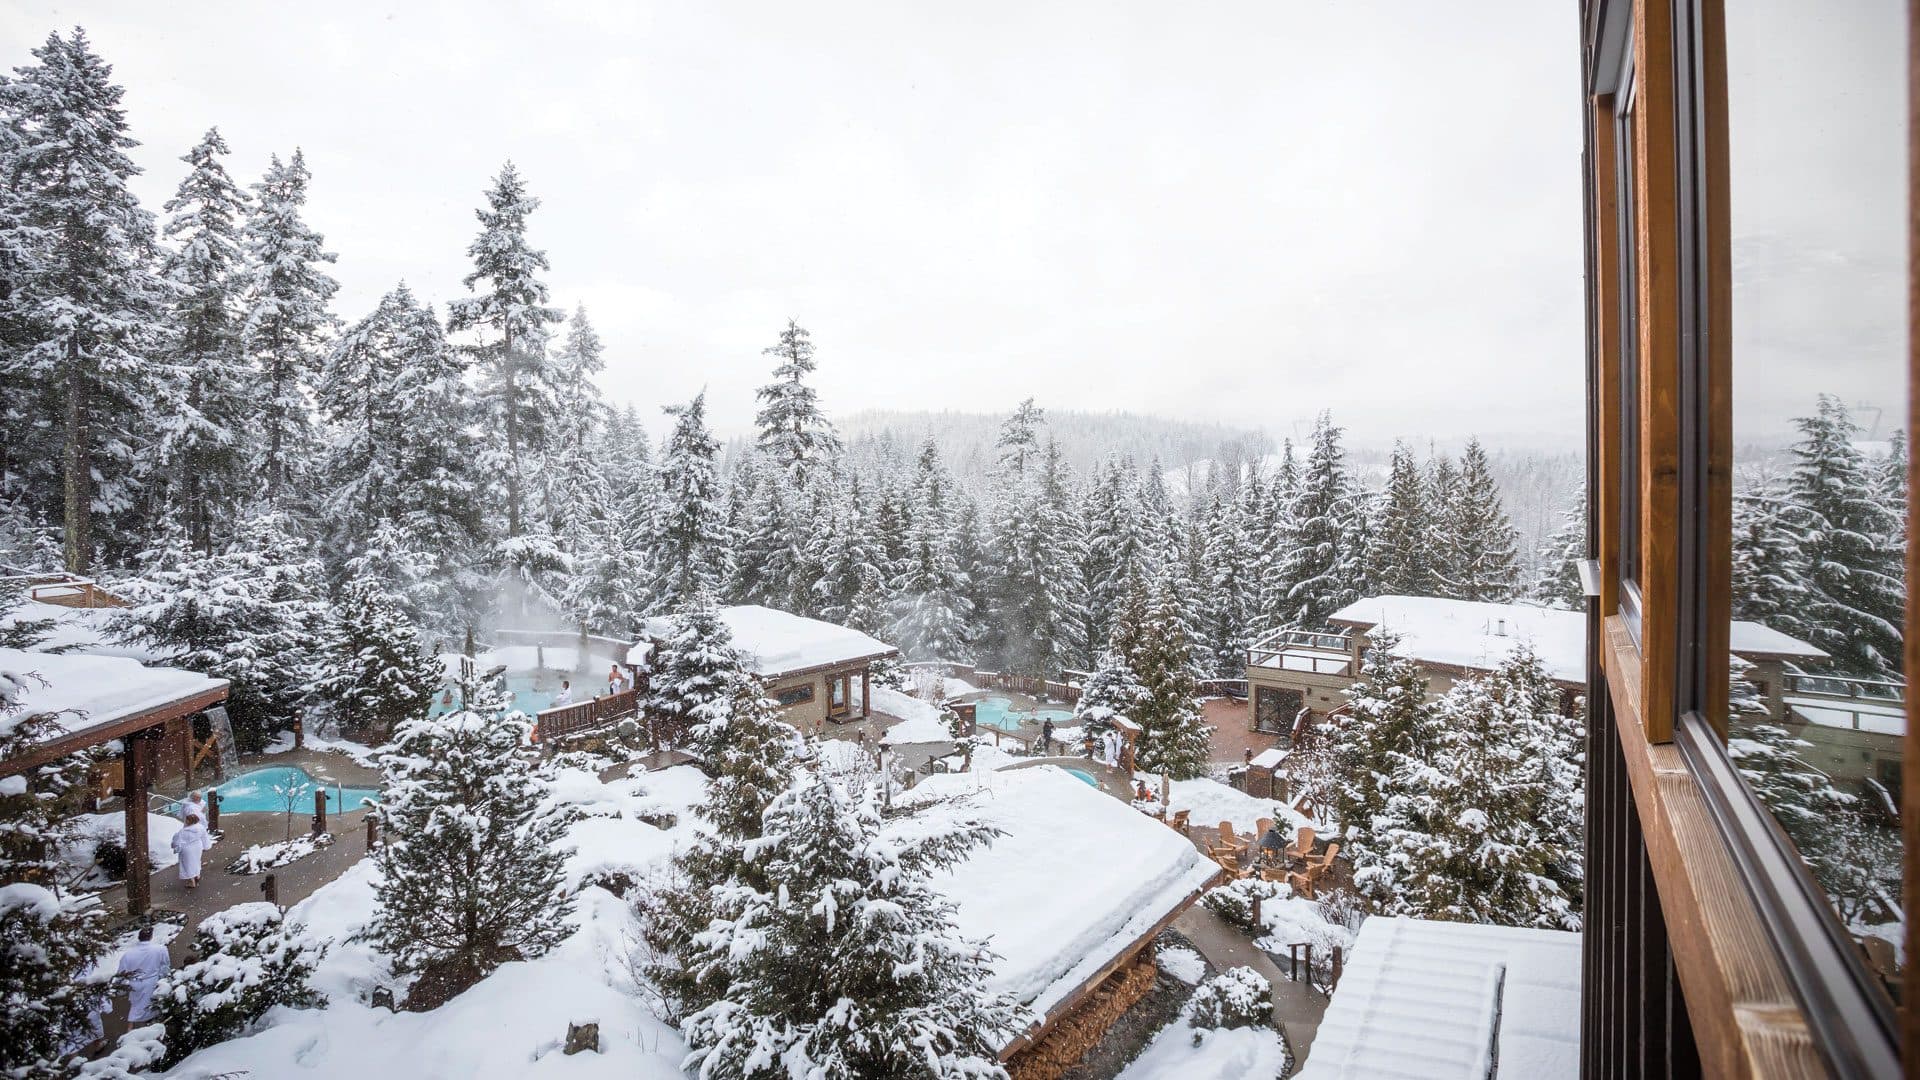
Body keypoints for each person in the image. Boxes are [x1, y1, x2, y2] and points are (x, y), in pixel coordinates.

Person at [116, 926, 170, 1025]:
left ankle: (132, 1030)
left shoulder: (128, 954)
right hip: (152, 983)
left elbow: (121, 974)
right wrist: (163, 978)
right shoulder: (160, 949)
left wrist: (120, 989)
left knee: (136, 1008)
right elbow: (165, 966)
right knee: (152, 1007)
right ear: (151, 936)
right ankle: (151, 1028)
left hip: (136, 985)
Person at [171, 813, 209, 889]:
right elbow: (205, 837)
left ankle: (191, 882)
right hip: (197, 847)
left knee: (187, 865)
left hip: (187, 849)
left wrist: (175, 847)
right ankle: (197, 875)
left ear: (188, 821)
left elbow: (175, 842)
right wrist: (206, 846)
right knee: (196, 861)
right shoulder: (201, 828)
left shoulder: (182, 832)